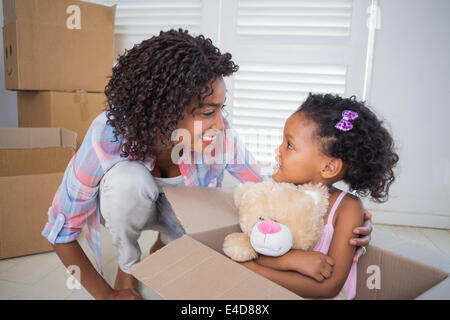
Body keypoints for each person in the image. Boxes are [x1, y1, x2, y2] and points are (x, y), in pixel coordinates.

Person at [41, 29, 373, 300]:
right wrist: (106, 295)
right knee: (128, 182)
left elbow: (272, 186)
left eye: (221, 108)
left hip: (182, 216)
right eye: (207, 112)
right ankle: (128, 266)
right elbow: (61, 230)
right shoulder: (106, 136)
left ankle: (167, 242)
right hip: (127, 203)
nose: (220, 123)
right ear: (162, 111)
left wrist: (340, 218)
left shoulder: (218, 135)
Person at [240, 93, 399, 299]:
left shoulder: (347, 208)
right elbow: (256, 250)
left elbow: (329, 286)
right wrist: (292, 260)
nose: (278, 150)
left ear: (328, 167)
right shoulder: (274, 192)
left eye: (289, 145)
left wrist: (254, 271)